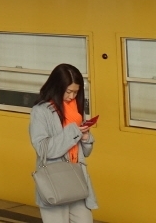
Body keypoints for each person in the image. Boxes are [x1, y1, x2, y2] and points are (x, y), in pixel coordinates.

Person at [29, 63, 98, 223]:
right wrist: (74, 132)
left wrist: (86, 137)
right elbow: (44, 149)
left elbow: (85, 153)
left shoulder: (76, 111)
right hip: (55, 180)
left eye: (76, 92)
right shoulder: (41, 111)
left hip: (76, 178)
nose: (72, 96)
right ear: (57, 87)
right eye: (68, 91)